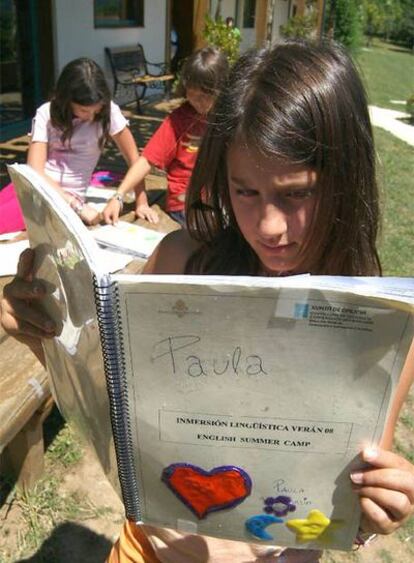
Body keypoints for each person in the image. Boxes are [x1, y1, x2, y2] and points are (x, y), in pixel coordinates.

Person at [1, 39, 413, 562]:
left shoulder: (384, 324)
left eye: (297, 192)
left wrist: (379, 508)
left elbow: (356, 489)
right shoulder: (179, 262)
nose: (269, 227)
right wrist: (44, 335)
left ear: (345, 178)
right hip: (145, 550)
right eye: (245, 191)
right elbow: (113, 407)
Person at [102, 47, 229, 228]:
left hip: (221, 197)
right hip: (186, 201)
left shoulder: (230, 117)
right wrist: (119, 195)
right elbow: (146, 160)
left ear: (221, 91)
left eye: (204, 97)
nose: (198, 104)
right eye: (193, 97)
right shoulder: (178, 120)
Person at [27, 57, 139, 226]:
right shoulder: (46, 113)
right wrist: (76, 205)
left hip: (67, 203)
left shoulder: (108, 112)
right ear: (67, 100)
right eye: (84, 110)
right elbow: (35, 171)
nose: (91, 116)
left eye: (97, 109)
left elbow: (135, 160)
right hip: (41, 191)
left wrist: (141, 202)